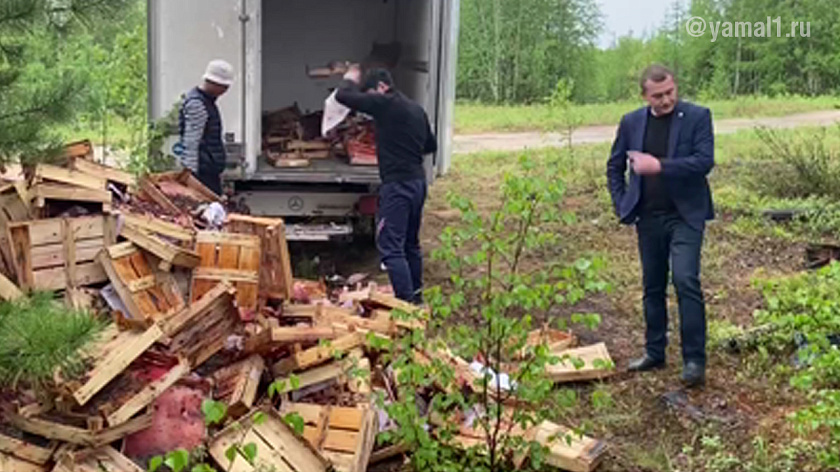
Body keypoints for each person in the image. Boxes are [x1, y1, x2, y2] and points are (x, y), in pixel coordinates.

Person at [606, 64, 715, 387]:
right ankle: (655, 352)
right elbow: (614, 166)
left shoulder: (698, 116)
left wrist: (660, 166)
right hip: (648, 217)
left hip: (686, 216)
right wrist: (622, 203)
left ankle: (694, 360)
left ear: (675, 88)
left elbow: (703, 162)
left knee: (685, 280)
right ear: (645, 96)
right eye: (658, 95)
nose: (666, 100)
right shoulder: (631, 122)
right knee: (652, 286)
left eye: (670, 92)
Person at [335, 66, 437, 304]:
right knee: (411, 244)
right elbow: (430, 146)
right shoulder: (416, 109)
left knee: (391, 248)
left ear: (381, 88)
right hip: (418, 182)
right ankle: (417, 300)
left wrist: (349, 78)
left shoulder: (386, 103)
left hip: (397, 185)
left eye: (370, 94)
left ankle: (404, 306)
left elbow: (343, 96)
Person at [177, 59, 235, 195]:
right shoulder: (198, 104)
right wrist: (190, 176)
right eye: (224, 86)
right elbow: (191, 141)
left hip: (208, 170)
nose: (226, 90)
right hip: (202, 173)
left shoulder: (206, 102)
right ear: (215, 83)